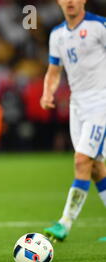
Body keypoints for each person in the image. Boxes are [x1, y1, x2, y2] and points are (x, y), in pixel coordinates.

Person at [40, 0, 106, 242]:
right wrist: (48, 92)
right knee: (96, 168)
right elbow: (54, 71)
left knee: (81, 160)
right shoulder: (57, 35)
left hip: (101, 103)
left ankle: (64, 223)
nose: (70, 1)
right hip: (77, 107)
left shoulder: (99, 27)